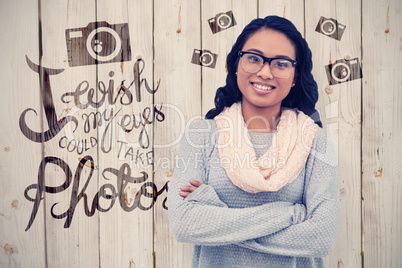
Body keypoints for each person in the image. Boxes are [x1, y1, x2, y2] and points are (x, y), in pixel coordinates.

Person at [167, 15, 340, 268]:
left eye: (281, 63)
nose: (265, 72)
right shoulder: (201, 136)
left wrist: (215, 212)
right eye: (254, 58)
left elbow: (319, 239)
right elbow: (185, 224)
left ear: (295, 75)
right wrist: (290, 214)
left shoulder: (314, 140)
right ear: (236, 63)